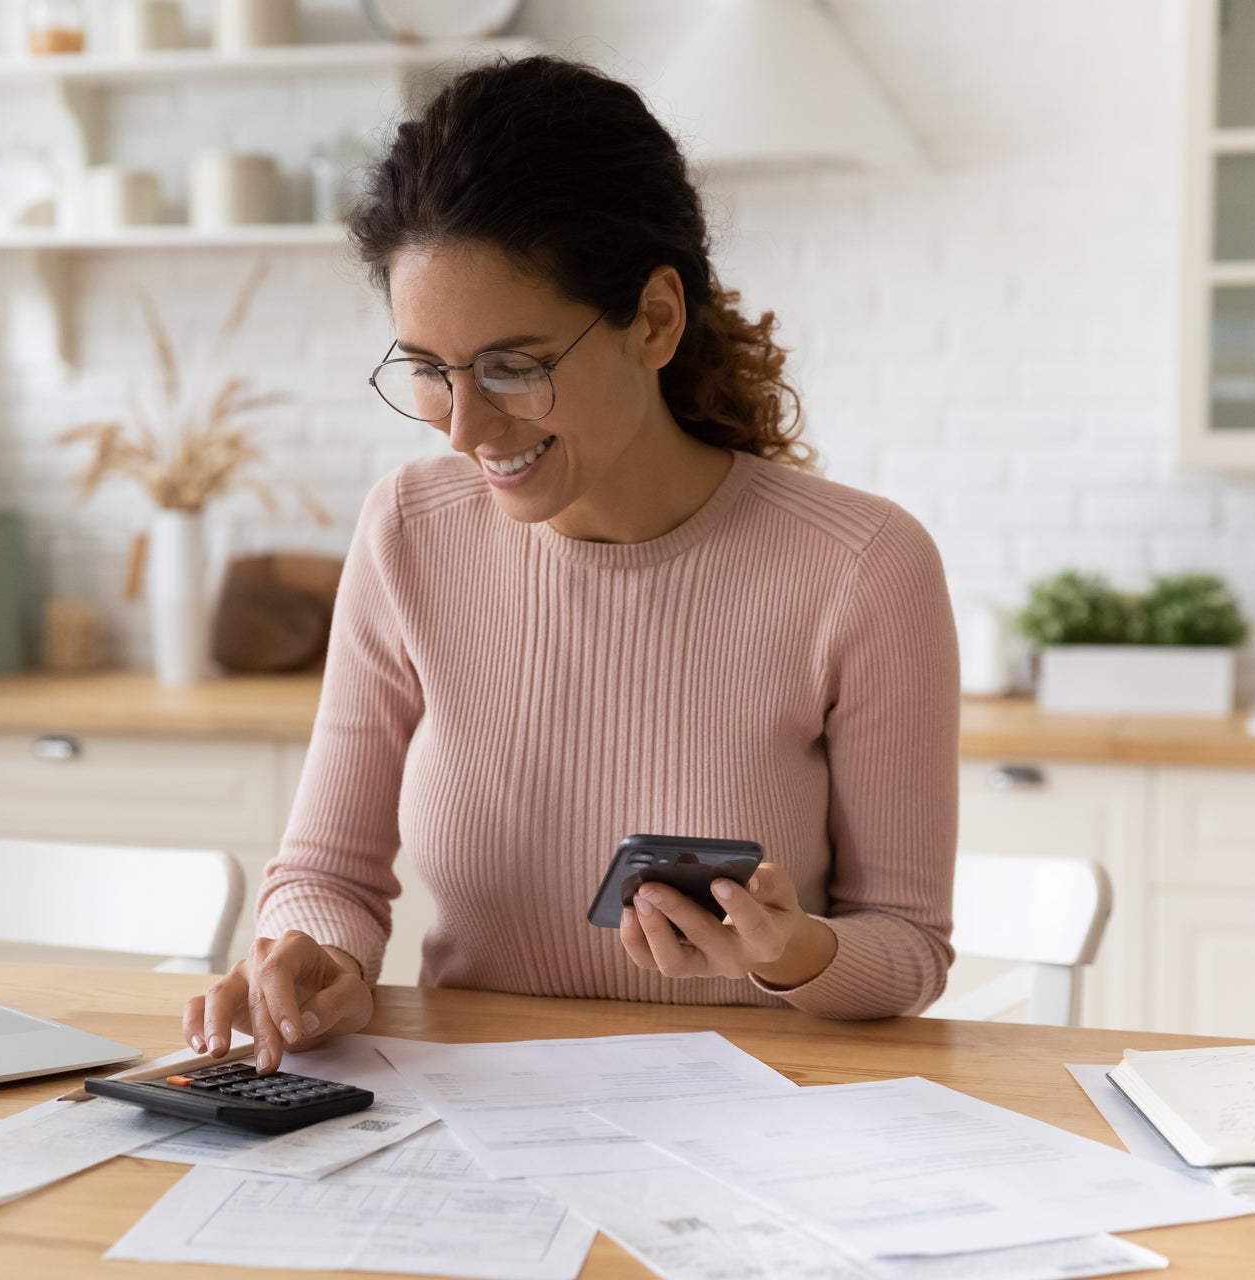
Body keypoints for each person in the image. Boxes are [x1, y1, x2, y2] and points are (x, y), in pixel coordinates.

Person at [184, 55, 960, 1074]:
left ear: (654, 319)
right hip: (470, 1119)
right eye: (427, 370)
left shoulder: (859, 566)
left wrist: (794, 950)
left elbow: (906, 945)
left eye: (513, 366)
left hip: (757, 1127)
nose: (464, 428)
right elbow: (328, 869)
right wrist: (316, 955)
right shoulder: (409, 532)